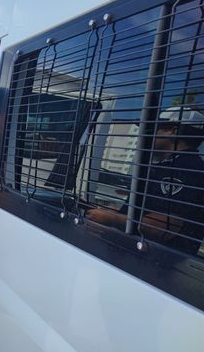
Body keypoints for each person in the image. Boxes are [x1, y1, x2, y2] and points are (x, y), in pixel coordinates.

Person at [86, 106, 204, 255]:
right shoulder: (168, 165)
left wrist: (112, 219)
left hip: (155, 265)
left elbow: (165, 227)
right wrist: (111, 212)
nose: (146, 136)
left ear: (172, 131)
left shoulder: (187, 169)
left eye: (153, 129)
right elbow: (147, 212)